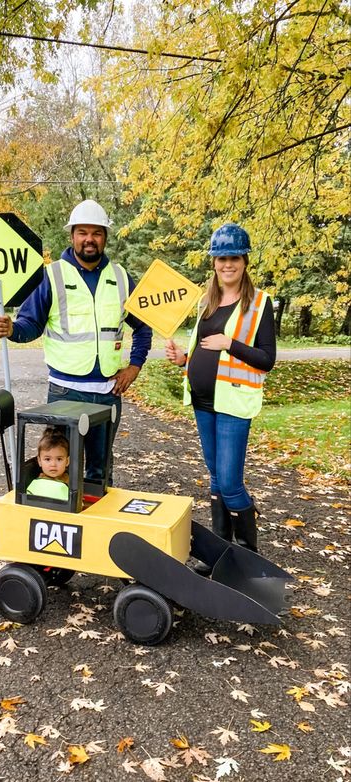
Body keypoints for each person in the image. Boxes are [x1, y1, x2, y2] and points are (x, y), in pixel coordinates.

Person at [0, 199, 152, 482]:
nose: (89, 239)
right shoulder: (51, 275)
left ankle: (96, 525)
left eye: (97, 233)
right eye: (83, 232)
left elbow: (143, 326)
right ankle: (68, 525)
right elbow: (31, 324)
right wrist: (12, 330)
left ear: (105, 237)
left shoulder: (121, 277)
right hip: (65, 393)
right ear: (72, 235)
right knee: (61, 470)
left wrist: (134, 367)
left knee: (100, 473)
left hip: (107, 393)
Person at [166, 223, 276, 574]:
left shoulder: (259, 304)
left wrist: (230, 344)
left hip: (234, 404)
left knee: (229, 482)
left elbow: (266, 359)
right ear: (213, 263)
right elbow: (201, 350)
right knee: (215, 479)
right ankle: (219, 556)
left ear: (244, 261)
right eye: (220, 258)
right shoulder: (207, 302)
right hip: (203, 402)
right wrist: (183, 359)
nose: (227, 264)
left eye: (233, 258)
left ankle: (246, 559)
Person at [27, 428, 70, 500]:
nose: (53, 464)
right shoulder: (36, 486)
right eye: (47, 459)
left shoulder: (71, 481)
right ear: (39, 461)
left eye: (59, 459)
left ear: (67, 461)